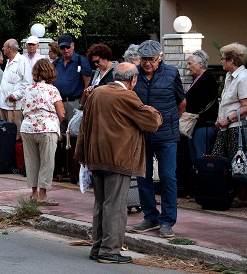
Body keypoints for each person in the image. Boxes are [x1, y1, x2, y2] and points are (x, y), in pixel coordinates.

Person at [76, 63, 162, 264]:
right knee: (115, 206)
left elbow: (83, 126)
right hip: (118, 158)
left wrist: (81, 154)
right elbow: (153, 122)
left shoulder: (96, 93)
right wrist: (154, 109)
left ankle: (97, 247)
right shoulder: (126, 96)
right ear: (133, 79)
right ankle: (109, 250)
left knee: (101, 204)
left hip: (95, 157)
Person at [130, 40, 185, 239]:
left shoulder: (171, 73)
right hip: (141, 135)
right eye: (144, 60)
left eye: (151, 60)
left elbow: (182, 102)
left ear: (159, 58)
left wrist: (168, 121)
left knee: (168, 177)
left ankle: (167, 221)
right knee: (142, 177)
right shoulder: (133, 74)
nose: (147, 64)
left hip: (166, 135)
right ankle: (150, 217)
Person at [212, 42, 247, 208]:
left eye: (223, 59)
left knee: (239, 162)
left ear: (231, 60)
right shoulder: (230, 77)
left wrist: (228, 119)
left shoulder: (244, 78)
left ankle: (242, 196)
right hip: (227, 126)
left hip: (237, 127)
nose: (221, 62)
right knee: (221, 159)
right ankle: (222, 192)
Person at [20, 59, 65, 206]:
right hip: (47, 128)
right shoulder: (52, 90)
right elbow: (61, 112)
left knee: (31, 161)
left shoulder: (27, 89)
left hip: (28, 128)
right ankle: (43, 195)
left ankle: (33, 193)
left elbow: (23, 109)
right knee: (47, 162)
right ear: (50, 72)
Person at [53, 35, 92, 135]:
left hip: (74, 102)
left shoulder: (81, 61)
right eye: (62, 48)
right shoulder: (56, 63)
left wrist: (81, 105)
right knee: (58, 133)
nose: (65, 50)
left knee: (74, 133)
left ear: (73, 46)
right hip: (59, 102)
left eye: (67, 47)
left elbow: (87, 84)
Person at [184, 50, 219, 161]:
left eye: (190, 63)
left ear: (200, 64)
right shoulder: (198, 79)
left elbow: (197, 103)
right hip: (196, 125)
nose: (187, 67)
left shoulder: (207, 79)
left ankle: (204, 178)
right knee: (196, 159)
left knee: (203, 160)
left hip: (203, 126)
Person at [0, 39, 26, 134]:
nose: (2, 48)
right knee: (4, 134)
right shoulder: (8, 61)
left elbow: (27, 83)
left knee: (15, 133)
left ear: (10, 48)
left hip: (14, 106)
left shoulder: (22, 61)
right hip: (4, 104)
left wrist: (16, 95)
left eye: (4, 46)